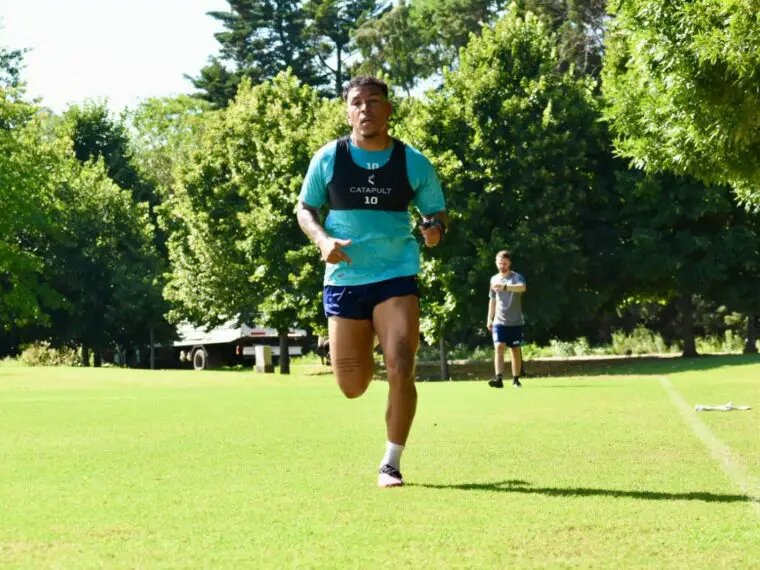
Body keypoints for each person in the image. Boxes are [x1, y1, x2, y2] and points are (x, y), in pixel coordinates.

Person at [296, 76, 448, 488]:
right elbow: (305, 208)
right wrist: (322, 239)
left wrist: (433, 228)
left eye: (374, 101)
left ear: (388, 110)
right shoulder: (328, 158)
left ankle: (391, 462)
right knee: (352, 385)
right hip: (344, 277)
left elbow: (436, 211)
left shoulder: (412, 161)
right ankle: (365, 340)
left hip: (395, 273)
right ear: (348, 112)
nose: (366, 109)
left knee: (402, 363)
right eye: (358, 103)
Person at [486, 250, 526, 388]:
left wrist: (505, 287)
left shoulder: (517, 277)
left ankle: (516, 379)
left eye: (504, 263)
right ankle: (499, 378)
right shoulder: (493, 279)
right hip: (499, 321)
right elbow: (492, 300)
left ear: (509, 263)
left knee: (515, 349)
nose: (502, 266)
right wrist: (489, 319)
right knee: (498, 347)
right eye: (499, 263)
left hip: (515, 321)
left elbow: (522, 288)